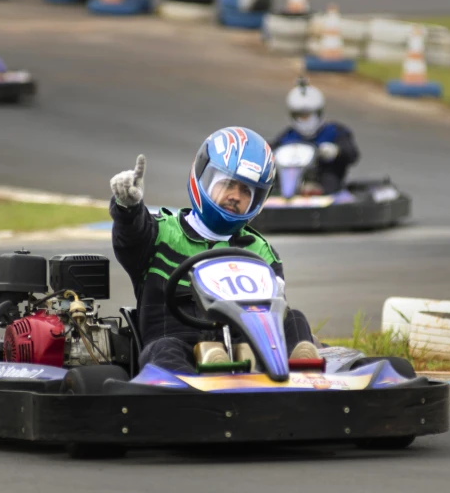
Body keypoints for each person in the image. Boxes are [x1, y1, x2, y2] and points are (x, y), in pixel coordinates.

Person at [109, 126, 321, 374]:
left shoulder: (259, 250)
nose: (235, 196)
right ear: (204, 178)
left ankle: (303, 370)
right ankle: (210, 368)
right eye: (229, 184)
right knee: (164, 349)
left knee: (294, 319)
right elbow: (129, 239)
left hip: (248, 350)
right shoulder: (159, 232)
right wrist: (127, 208)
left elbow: (273, 316)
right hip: (177, 346)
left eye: (246, 191)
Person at [269, 78, 360, 194]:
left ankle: (317, 194)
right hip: (291, 181)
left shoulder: (334, 132)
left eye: (307, 115)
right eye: (300, 115)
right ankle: (282, 196)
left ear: (318, 113)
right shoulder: (288, 136)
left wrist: (337, 151)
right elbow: (271, 148)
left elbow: (352, 153)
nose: (304, 120)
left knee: (329, 175)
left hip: (324, 181)